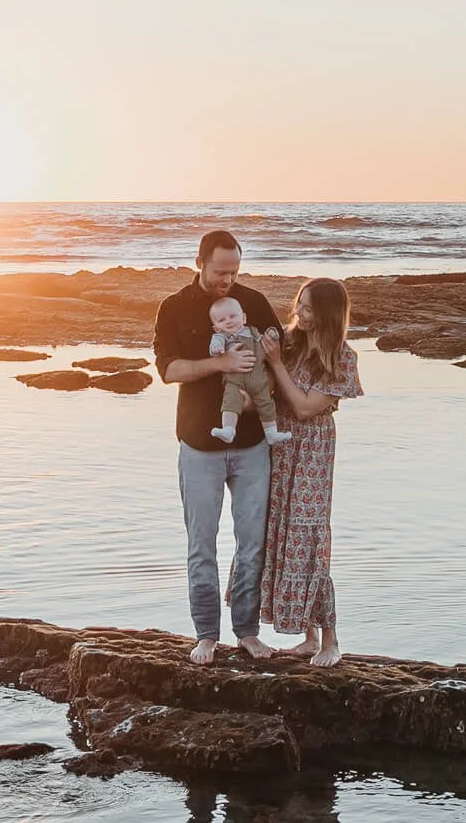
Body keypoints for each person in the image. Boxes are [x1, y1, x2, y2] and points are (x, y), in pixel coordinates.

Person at [154, 229, 283, 665]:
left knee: (252, 543)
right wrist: (220, 363)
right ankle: (206, 634)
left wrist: (257, 394)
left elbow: (278, 354)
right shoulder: (173, 307)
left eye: (234, 271)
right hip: (197, 444)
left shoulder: (255, 303)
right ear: (200, 263)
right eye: (220, 271)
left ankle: (247, 631)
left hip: (251, 446)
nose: (228, 279)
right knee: (201, 545)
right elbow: (169, 370)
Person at [260, 277, 364, 666]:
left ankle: (330, 640)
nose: (299, 314)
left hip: (312, 453)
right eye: (298, 305)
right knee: (281, 531)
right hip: (280, 448)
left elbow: (305, 407)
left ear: (328, 314)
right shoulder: (289, 344)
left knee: (309, 534)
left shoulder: (342, 359)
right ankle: (307, 635)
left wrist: (274, 363)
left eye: (308, 309)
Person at [206, 295, 289, 446]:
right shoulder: (221, 337)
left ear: (243, 318)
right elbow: (214, 347)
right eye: (222, 320)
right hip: (235, 381)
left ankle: (271, 433)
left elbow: (264, 341)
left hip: (258, 378)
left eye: (232, 316)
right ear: (216, 327)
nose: (228, 321)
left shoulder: (253, 332)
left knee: (266, 403)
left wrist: (271, 335)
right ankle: (228, 429)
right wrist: (217, 349)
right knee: (231, 400)